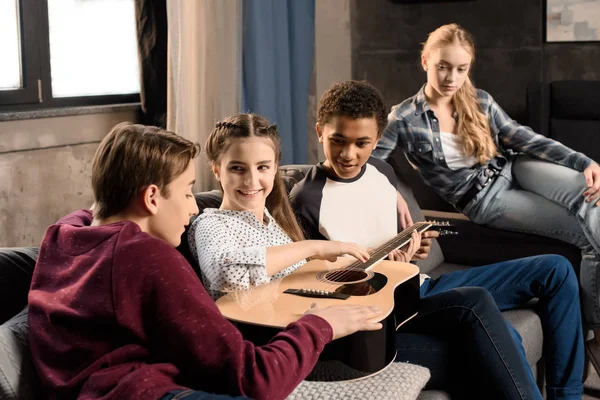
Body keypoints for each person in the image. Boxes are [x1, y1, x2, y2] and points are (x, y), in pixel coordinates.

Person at [188, 113, 551, 399]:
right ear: (216, 170)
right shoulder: (210, 224)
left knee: (478, 306)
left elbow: (299, 281)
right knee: (486, 345)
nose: (252, 179)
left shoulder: (271, 223)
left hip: (333, 323)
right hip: (300, 345)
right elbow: (228, 273)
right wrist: (317, 246)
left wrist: (380, 259)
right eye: (237, 168)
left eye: (263, 167)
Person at [27, 122, 385, 400]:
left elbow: (89, 212)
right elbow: (255, 379)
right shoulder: (146, 257)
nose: (194, 205)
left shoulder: (62, 235)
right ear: (152, 197)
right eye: (186, 191)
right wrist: (319, 325)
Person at [290, 80, 584, 400]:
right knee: (479, 307)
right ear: (320, 132)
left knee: (556, 269)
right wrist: (383, 271)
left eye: (362, 143)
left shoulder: (382, 171)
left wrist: (413, 248)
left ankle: (566, 396)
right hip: (385, 310)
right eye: (338, 140)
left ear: (377, 140)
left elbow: (393, 239)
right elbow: (312, 284)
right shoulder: (305, 198)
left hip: (422, 286)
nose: (349, 154)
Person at [372, 22, 600, 373]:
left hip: (515, 168)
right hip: (485, 200)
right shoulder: (403, 118)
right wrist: (394, 193)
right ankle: (595, 336)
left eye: (461, 69)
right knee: (586, 234)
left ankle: (594, 336)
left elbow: (523, 138)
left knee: (592, 199)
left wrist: (583, 161)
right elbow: (373, 164)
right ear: (425, 62)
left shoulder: (479, 100)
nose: (451, 77)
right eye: (443, 67)